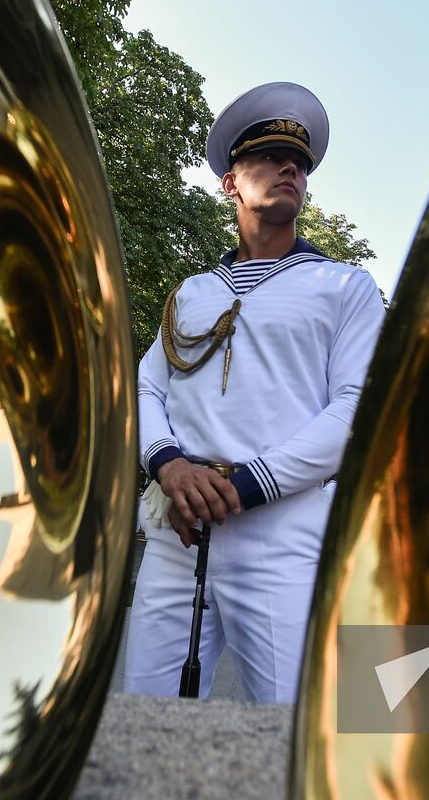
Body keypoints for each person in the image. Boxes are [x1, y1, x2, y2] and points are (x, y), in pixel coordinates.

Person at [124, 82, 386, 703]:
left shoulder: (345, 287)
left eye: (298, 161)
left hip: (280, 529)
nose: (289, 167)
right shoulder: (192, 292)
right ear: (231, 183)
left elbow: (356, 410)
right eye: (268, 158)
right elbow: (144, 387)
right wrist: (169, 465)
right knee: (144, 712)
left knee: (288, 726)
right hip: (177, 527)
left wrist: (243, 486)